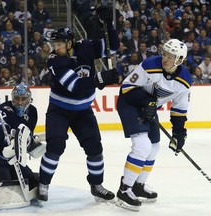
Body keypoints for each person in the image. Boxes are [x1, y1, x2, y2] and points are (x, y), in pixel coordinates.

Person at [37, 5, 120, 203]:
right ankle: (43, 183)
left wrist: (109, 24)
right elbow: (74, 85)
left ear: (70, 42)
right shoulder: (54, 60)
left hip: (83, 111)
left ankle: (96, 185)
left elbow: (113, 47)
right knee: (55, 147)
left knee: (95, 149)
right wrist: (101, 78)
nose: (55, 47)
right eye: (54, 44)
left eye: (59, 43)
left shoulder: (85, 47)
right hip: (59, 111)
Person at [115, 39, 192, 211]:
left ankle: (138, 185)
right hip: (130, 103)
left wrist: (179, 134)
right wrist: (145, 101)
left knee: (154, 146)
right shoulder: (149, 65)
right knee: (142, 146)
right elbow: (126, 88)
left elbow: (179, 110)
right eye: (165, 53)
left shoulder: (185, 81)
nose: (165, 59)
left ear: (179, 60)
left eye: (171, 56)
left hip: (148, 107)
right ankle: (124, 189)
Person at [0, 83, 46, 191]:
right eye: (17, 98)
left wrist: (31, 143)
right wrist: (5, 139)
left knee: (31, 182)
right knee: (5, 185)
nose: (20, 102)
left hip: (11, 160)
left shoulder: (32, 112)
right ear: (12, 98)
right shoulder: (5, 109)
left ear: (29, 99)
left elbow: (25, 135)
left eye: (23, 99)